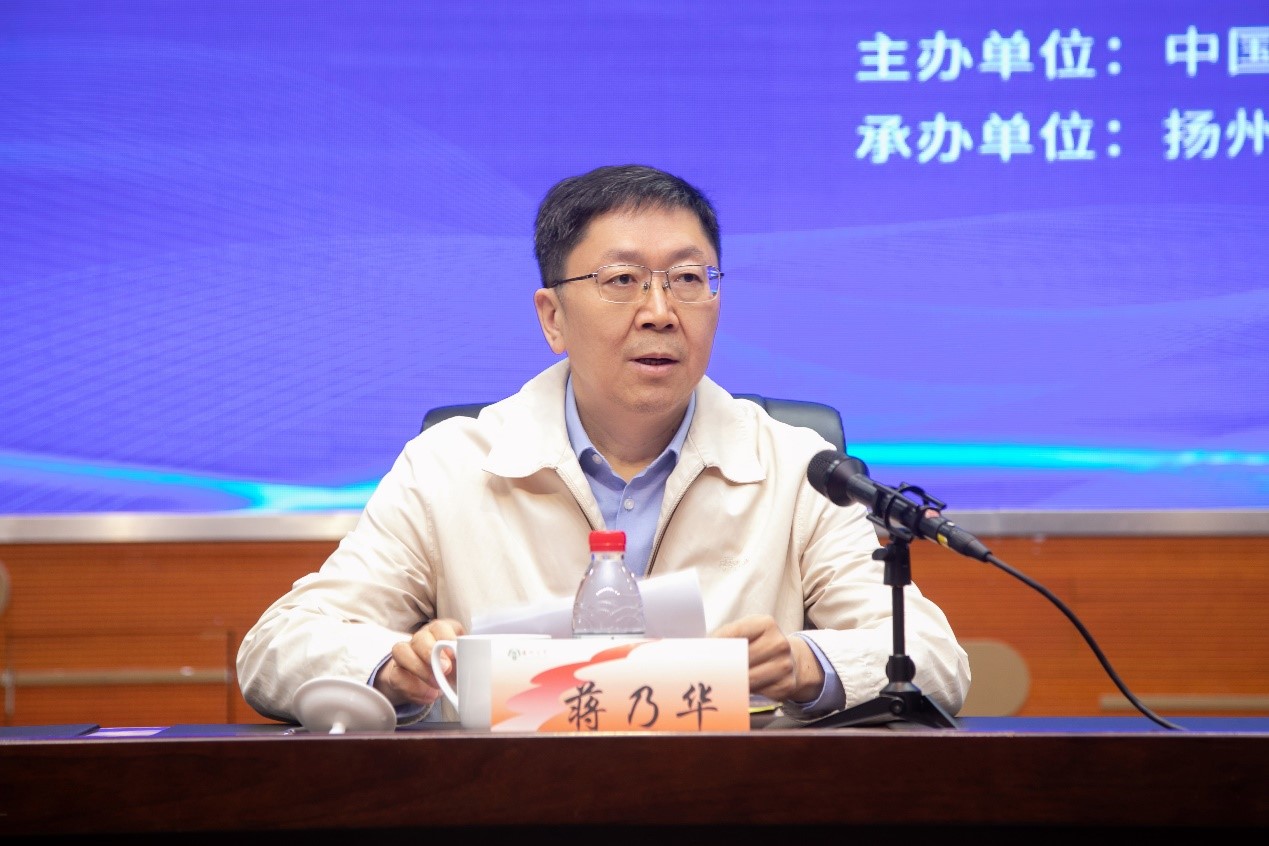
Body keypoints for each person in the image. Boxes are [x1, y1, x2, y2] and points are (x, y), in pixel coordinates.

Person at [236, 164, 970, 725]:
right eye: (622, 280)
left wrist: (807, 664)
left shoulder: (794, 465)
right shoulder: (450, 465)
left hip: (730, 808)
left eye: (688, 279)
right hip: (507, 809)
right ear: (552, 317)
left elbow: (935, 660)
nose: (660, 311)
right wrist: (390, 669)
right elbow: (275, 648)